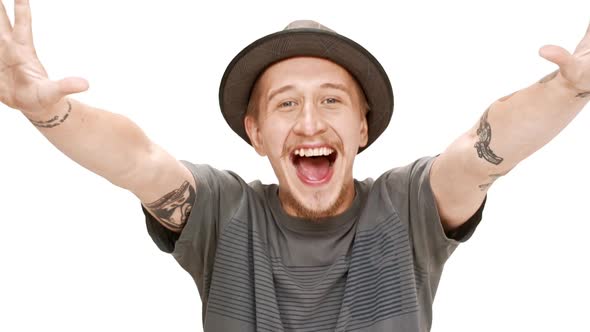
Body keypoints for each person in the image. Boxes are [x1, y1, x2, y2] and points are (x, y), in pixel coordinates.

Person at [1, 0, 589, 331]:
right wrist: (51, 114)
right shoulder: (221, 213)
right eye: (286, 104)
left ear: (362, 127)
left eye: (332, 99)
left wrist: (568, 92)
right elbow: (137, 160)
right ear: (255, 133)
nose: (310, 122)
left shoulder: (408, 207)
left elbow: (483, 151)